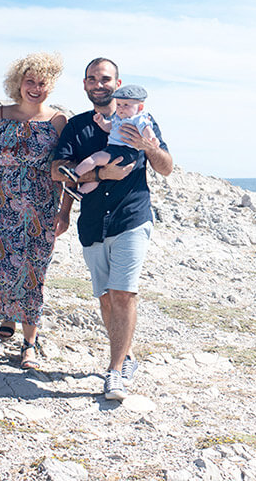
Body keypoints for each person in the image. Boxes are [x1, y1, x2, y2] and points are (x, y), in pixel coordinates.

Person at [52, 57, 172, 400]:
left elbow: (166, 168)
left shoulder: (142, 121)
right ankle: (126, 354)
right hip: (91, 223)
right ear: (85, 84)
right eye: (91, 78)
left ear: (117, 84)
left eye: (105, 78)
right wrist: (100, 175)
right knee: (105, 298)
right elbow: (58, 172)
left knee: (123, 293)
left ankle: (115, 372)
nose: (98, 83)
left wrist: (149, 146)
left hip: (131, 217)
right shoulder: (77, 126)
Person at [0, 52, 71, 370]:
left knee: (32, 272)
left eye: (42, 83)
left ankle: (29, 345)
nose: (35, 88)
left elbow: (65, 170)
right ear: (19, 82)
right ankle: (7, 312)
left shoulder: (57, 121)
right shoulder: (0, 115)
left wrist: (64, 213)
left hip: (39, 207)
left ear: (51, 86)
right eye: (30, 81)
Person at [57, 84, 156, 200]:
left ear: (139, 107)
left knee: (95, 158)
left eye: (126, 105)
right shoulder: (118, 119)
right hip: (115, 149)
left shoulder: (138, 119)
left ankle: (75, 173)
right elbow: (109, 127)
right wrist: (101, 122)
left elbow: (146, 129)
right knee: (97, 177)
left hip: (125, 151)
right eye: (118, 104)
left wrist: (152, 139)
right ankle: (80, 193)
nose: (121, 108)